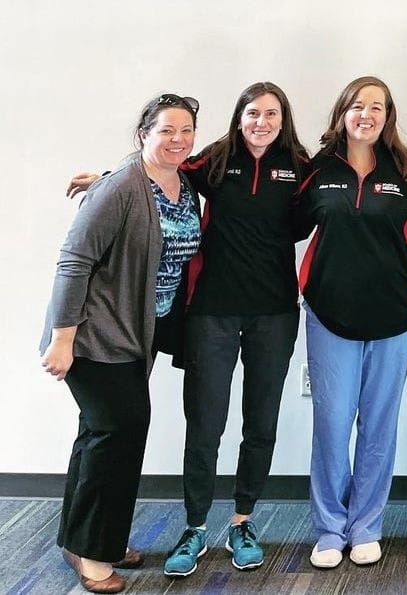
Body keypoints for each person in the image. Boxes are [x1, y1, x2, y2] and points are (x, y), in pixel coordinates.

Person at [68, 82, 312, 577]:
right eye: (252, 113)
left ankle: (243, 521)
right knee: (205, 425)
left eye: (271, 114)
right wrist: (107, 177)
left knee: (260, 424)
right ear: (239, 118)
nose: (261, 122)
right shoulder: (215, 163)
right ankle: (195, 526)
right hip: (212, 314)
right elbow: (155, 170)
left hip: (276, 314)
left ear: (283, 120)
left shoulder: (301, 171)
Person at [42, 93, 201, 593]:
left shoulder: (182, 184)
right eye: (166, 130)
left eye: (186, 130)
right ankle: (93, 552)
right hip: (95, 337)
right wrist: (62, 340)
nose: (177, 139)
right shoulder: (123, 185)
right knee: (118, 434)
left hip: (137, 337)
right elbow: (74, 261)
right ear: (143, 135)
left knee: (99, 436)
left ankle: (90, 539)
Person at [296, 76, 407, 570]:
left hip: (395, 317)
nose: (366, 114)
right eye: (357, 105)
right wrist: (136, 175)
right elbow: (268, 214)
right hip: (329, 316)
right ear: (342, 113)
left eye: (377, 106)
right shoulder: (316, 170)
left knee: (379, 426)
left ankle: (366, 525)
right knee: (332, 425)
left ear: (387, 116)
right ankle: (331, 528)